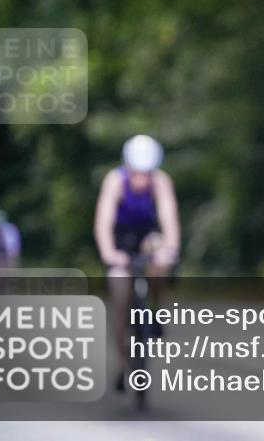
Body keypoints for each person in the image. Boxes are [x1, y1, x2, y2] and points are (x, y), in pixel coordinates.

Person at [93, 134, 180, 391]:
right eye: (137, 173)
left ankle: (155, 311)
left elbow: (169, 218)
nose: (142, 180)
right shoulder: (115, 181)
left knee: (159, 255)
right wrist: (109, 253)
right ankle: (123, 365)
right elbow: (103, 221)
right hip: (120, 241)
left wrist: (170, 249)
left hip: (147, 237)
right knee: (119, 297)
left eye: (147, 173)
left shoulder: (161, 182)